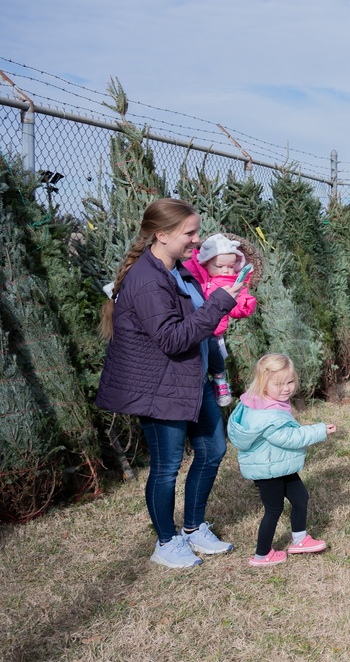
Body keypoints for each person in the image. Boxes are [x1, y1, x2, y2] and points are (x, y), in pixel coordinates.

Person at [96, 198, 242, 568]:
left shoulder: (179, 269)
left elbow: (199, 325)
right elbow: (173, 339)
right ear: (161, 235)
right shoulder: (147, 281)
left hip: (192, 380)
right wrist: (221, 303)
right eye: (189, 233)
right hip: (160, 387)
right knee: (166, 466)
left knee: (212, 450)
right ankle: (165, 541)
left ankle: (193, 528)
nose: (197, 240)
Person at [227, 353, 336, 567]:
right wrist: (319, 430)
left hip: (278, 463)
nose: (286, 388)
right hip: (268, 469)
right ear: (263, 383)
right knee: (274, 509)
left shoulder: (261, 400)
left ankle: (299, 539)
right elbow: (288, 438)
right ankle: (261, 554)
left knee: (300, 497)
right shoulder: (267, 415)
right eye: (279, 384)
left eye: (290, 381)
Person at [182, 233, 258, 407]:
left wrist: (245, 303)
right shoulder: (196, 277)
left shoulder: (233, 282)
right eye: (220, 266)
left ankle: (220, 380)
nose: (226, 270)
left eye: (231, 266)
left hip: (214, 329)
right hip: (194, 325)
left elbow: (238, 305)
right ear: (205, 264)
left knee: (214, 354)